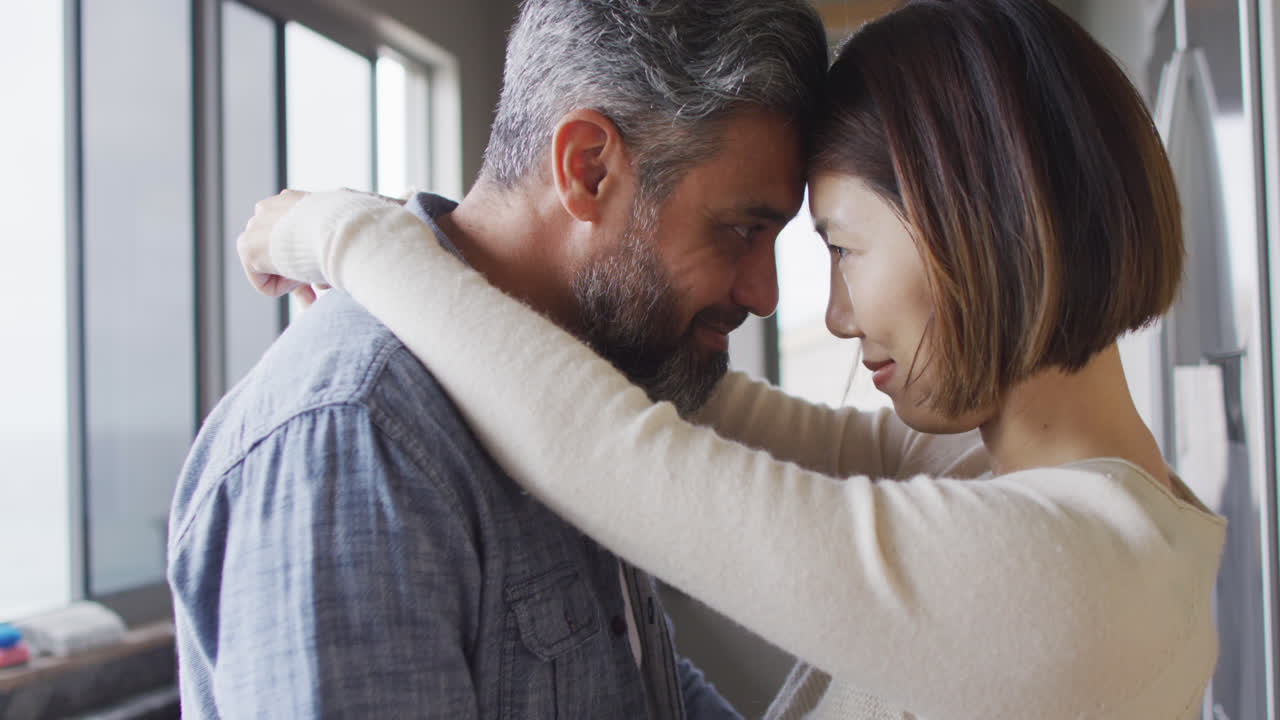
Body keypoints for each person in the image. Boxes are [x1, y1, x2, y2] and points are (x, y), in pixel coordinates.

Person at [237, 0, 1228, 718]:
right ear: (585, 167)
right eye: (745, 231)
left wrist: (346, 237)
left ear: (978, 227)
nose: (820, 314)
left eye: (836, 247)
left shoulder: (1064, 575)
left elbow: (619, 456)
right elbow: (701, 415)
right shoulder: (1042, 495)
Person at [166, 1, 871, 717]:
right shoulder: (355, 438)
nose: (765, 293)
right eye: (740, 229)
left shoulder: (590, 381)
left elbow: (628, 680)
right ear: (588, 168)